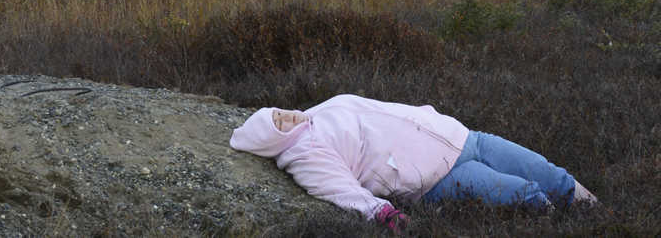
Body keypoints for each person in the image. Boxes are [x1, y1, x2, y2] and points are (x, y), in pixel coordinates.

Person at [230, 94, 598, 230]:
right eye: (279, 124)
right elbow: (340, 190)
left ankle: (601, 216)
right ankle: (569, 229)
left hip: (461, 136)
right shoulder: (303, 156)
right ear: (273, 141)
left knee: (552, 175)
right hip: (438, 177)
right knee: (528, 195)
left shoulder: (318, 111)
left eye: (280, 113)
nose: (287, 117)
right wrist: (382, 213)